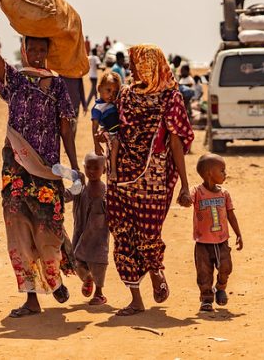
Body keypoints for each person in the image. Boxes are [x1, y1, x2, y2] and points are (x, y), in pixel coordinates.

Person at [0, 0, 81, 317]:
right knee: (18, 233)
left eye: (41, 50)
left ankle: (54, 278)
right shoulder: (15, 80)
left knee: (47, 231)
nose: (36, 55)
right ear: (24, 51)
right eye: (32, 50)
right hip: (15, 169)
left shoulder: (58, 87)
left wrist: (73, 167)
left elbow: (66, 130)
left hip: (47, 170)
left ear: (46, 53)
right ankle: (31, 299)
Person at [104, 44, 194, 316]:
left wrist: (186, 185)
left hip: (152, 176)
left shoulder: (170, 98)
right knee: (122, 234)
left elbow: (176, 142)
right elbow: (114, 128)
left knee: (149, 233)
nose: (132, 69)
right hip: (120, 177)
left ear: (151, 65)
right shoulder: (126, 95)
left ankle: (156, 269)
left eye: (137, 64)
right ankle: (135, 298)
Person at [187, 154, 243, 312]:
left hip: (222, 241)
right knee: (204, 273)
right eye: (222, 170)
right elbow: (187, 199)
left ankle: (220, 287)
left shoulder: (224, 193)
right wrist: (184, 198)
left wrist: (238, 234)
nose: (226, 173)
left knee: (226, 267)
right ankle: (206, 298)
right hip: (203, 242)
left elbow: (231, 215)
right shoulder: (197, 191)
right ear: (209, 173)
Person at [66, 153, 109, 306]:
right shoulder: (81, 189)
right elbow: (67, 195)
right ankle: (86, 279)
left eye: (96, 168)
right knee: (76, 261)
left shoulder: (106, 193)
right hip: (80, 234)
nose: (91, 171)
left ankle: (99, 293)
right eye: (88, 167)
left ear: (104, 170)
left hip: (98, 238)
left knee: (99, 264)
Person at [91, 72, 121, 180]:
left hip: (116, 130)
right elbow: (94, 127)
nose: (111, 95)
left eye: (114, 92)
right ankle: (113, 170)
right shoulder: (97, 108)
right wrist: (96, 144)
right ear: (99, 89)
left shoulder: (114, 103)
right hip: (110, 132)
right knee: (115, 143)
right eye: (108, 90)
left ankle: (104, 166)